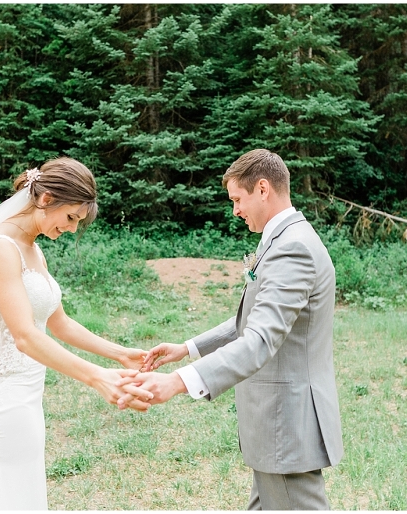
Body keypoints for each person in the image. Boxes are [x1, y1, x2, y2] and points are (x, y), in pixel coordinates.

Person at [119, 149, 344, 510]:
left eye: (237, 199)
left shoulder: (293, 249)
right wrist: (189, 348)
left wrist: (178, 382)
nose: (235, 210)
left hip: (286, 423)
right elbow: (256, 317)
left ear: (263, 188)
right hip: (277, 424)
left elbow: (259, 340)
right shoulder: (286, 238)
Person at [0, 157, 152, 510]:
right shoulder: (1, 247)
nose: (73, 229)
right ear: (46, 199)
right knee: (5, 495)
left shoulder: (33, 248)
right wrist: (96, 378)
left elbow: (58, 322)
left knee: (21, 492)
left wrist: (119, 353)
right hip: (0, 397)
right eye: (71, 218)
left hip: (26, 393)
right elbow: (25, 336)